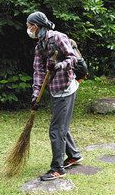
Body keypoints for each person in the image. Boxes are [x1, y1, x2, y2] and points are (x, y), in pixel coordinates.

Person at [28, 11, 83, 181]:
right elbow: (38, 72)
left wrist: (59, 66)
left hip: (66, 88)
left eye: (29, 26)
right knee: (61, 125)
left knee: (56, 129)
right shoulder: (40, 46)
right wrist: (35, 96)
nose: (28, 29)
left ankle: (57, 168)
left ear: (36, 26)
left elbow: (73, 59)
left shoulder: (58, 38)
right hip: (54, 89)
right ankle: (73, 155)